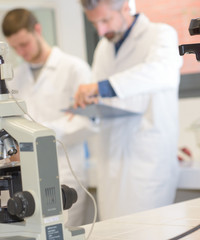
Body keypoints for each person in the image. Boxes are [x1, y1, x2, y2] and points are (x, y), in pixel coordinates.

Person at [74, 0, 183, 220]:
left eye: (105, 20)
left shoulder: (160, 35)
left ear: (125, 8)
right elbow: (99, 94)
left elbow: (163, 72)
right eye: (94, 23)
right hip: (111, 161)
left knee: (148, 230)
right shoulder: (104, 47)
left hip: (146, 164)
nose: (101, 30)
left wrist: (103, 87)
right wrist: (89, 103)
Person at [2, 8, 93, 226]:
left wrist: (40, 131)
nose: (21, 52)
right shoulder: (16, 77)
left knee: (65, 231)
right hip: (29, 174)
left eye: (24, 44)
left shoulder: (74, 68)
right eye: (15, 47)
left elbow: (87, 121)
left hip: (66, 171)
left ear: (37, 30)